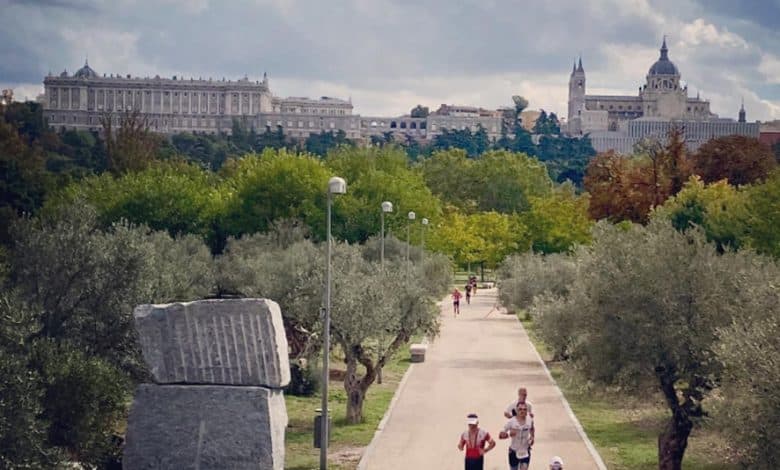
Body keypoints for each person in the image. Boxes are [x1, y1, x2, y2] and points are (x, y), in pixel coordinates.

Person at [498, 403, 534, 470]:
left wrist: (532, 437)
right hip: (514, 451)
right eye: (520, 409)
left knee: (524, 468)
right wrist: (509, 435)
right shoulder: (511, 422)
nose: (522, 411)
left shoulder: (530, 420)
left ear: (527, 411)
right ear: (516, 410)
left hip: (525, 451)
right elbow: (500, 435)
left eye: (524, 409)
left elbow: (532, 428)